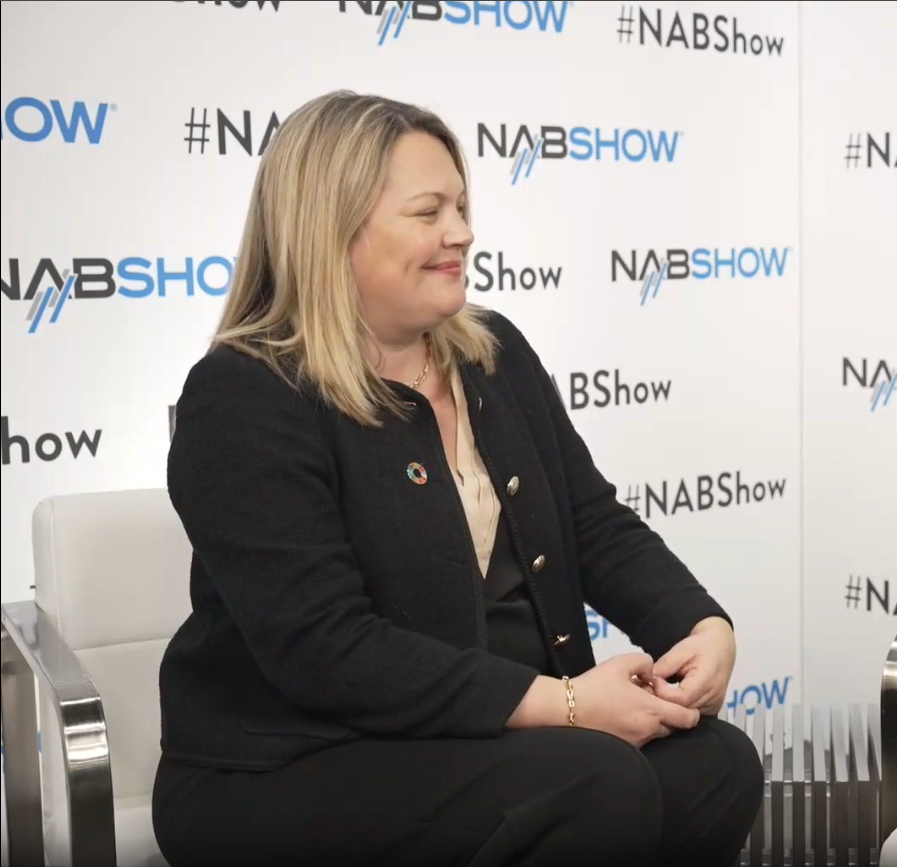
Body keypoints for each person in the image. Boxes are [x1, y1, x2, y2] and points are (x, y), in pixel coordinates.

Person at [154, 90, 763, 867]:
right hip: (288, 763)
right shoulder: (246, 393)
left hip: (479, 737)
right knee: (597, 783)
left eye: (463, 205)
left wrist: (702, 627)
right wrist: (568, 704)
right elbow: (325, 648)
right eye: (428, 211)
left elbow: (592, 521)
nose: (462, 232)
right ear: (329, 227)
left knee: (716, 767)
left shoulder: (492, 353)